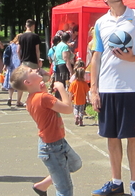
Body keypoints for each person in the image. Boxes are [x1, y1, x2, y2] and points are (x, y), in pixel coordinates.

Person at [89, 0, 135, 196]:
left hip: (132, 87)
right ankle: (116, 182)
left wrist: (133, 57)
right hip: (108, 88)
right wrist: (94, 89)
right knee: (112, 136)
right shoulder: (101, 23)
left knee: (132, 136)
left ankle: (134, 183)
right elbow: (96, 57)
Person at [10, 65, 82, 196]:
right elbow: (68, 109)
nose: (35, 70)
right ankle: (54, 179)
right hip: (52, 147)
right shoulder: (43, 98)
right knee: (65, 189)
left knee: (75, 163)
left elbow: (46, 109)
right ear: (27, 82)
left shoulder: (34, 98)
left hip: (56, 143)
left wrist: (45, 92)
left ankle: (42, 186)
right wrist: (61, 88)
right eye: (30, 71)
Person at [3, 34, 24, 107]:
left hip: (11, 66)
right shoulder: (22, 46)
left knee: (11, 83)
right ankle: (18, 101)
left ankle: (10, 97)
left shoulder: (11, 46)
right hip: (19, 66)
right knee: (20, 84)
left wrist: (5, 65)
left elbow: (6, 55)